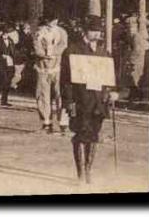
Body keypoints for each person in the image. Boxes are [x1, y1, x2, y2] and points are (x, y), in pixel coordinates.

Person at [60, 15, 116, 184]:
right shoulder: (72, 50)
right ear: (86, 31)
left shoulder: (103, 52)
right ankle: (80, 173)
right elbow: (65, 81)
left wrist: (112, 92)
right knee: (80, 135)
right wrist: (69, 102)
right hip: (80, 101)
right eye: (94, 30)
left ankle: (88, 170)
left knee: (94, 135)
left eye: (99, 30)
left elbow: (109, 78)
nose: (98, 34)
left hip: (98, 103)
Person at [33, 17, 69, 134]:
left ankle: (63, 123)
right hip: (42, 68)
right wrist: (45, 55)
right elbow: (37, 48)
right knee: (43, 96)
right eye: (50, 20)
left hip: (57, 68)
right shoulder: (39, 32)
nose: (52, 23)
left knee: (60, 95)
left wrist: (53, 53)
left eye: (55, 20)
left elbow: (63, 46)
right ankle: (46, 122)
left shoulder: (62, 32)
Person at [120, 15, 149, 101]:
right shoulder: (131, 36)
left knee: (134, 77)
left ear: (135, 27)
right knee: (130, 77)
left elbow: (137, 51)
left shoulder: (137, 37)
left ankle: (137, 95)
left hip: (138, 60)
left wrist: (130, 61)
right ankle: (133, 94)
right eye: (128, 27)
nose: (129, 29)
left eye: (131, 27)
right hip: (135, 59)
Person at [0, 24, 18, 106]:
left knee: (7, 82)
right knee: (0, 81)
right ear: (5, 32)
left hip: (10, 64)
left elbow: (13, 52)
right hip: (0, 64)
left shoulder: (11, 41)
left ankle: (4, 100)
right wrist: (0, 55)